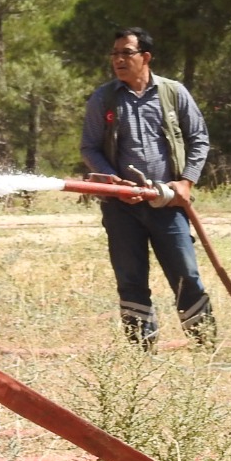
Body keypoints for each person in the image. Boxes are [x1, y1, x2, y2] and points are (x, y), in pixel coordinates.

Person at [79, 27, 214, 347]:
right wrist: (112, 180)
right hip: (121, 208)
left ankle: (205, 343)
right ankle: (142, 349)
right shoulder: (103, 98)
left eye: (127, 53)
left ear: (146, 57)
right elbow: (89, 148)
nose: (118, 60)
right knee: (130, 279)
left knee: (186, 275)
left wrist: (186, 181)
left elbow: (199, 139)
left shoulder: (173, 93)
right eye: (115, 54)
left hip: (167, 204)